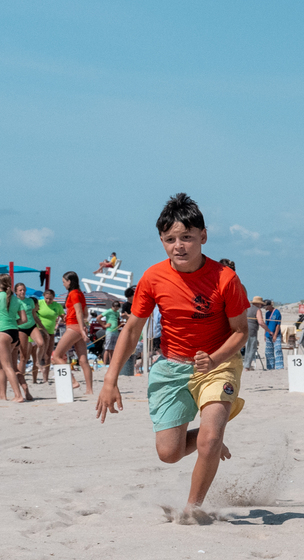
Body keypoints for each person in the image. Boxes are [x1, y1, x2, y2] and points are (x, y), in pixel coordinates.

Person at [95, 193, 250, 524]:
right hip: (171, 368)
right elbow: (132, 329)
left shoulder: (225, 279)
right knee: (169, 453)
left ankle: (192, 508)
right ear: (162, 241)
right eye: (170, 239)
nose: (179, 246)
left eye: (187, 237)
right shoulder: (153, 278)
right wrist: (110, 379)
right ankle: (211, 438)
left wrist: (215, 357)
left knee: (208, 440)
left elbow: (241, 332)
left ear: (203, 236)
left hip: (218, 365)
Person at [50, 271, 94, 398]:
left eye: (64, 282)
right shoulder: (80, 293)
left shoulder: (74, 294)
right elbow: (85, 314)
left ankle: (73, 381)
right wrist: (82, 327)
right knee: (83, 360)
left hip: (74, 328)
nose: (63, 284)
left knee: (56, 356)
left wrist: (80, 329)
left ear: (69, 282)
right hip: (77, 327)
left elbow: (80, 313)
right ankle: (89, 390)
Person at [0, 277, 35, 403]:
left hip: (2, 333)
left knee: (7, 365)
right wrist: (12, 322)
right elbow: (24, 320)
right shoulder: (16, 299)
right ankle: (2, 396)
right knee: (3, 366)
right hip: (14, 333)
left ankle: (18, 395)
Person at [34, 289, 60, 381]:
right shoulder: (40, 303)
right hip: (39, 330)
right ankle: (35, 376)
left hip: (51, 332)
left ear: (53, 298)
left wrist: (62, 320)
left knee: (48, 355)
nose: (48, 301)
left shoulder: (57, 306)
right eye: (47, 298)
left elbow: (63, 315)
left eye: (50, 299)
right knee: (40, 352)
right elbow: (33, 314)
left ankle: (45, 378)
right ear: (44, 296)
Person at [242, 297, 263, 370]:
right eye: (260, 304)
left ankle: (246, 365)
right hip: (251, 332)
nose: (261, 306)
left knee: (245, 348)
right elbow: (260, 322)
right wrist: (268, 330)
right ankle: (247, 366)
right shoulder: (257, 310)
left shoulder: (246, 308)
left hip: (243, 330)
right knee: (251, 349)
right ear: (258, 304)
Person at [263, 300, 283, 370]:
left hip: (276, 334)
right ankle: (270, 367)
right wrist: (265, 334)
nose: (264, 307)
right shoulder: (267, 314)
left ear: (269, 305)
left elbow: (278, 325)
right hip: (268, 334)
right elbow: (266, 324)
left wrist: (275, 335)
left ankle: (279, 367)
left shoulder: (277, 312)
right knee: (268, 352)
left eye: (265, 306)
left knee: (278, 350)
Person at [101, 298, 121, 366]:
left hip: (115, 331)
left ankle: (111, 362)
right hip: (109, 331)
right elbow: (98, 317)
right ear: (113, 306)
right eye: (115, 307)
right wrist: (104, 325)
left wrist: (118, 327)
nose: (116, 309)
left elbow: (118, 319)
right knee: (107, 348)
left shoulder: (117, 312)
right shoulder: (108, 311)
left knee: (113, 348)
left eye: (117, 307)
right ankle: (104, 363)